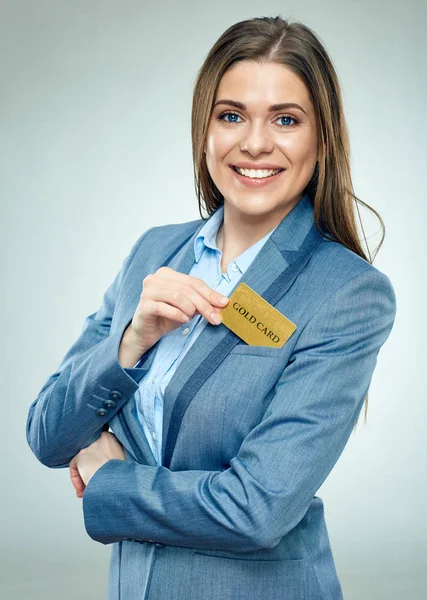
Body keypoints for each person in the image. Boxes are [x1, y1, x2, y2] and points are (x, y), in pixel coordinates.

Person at [26, 15, 396, 600]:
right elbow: (47, 434)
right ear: (205, 131)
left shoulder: (347, 294)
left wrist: (111, 482)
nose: (254, 142)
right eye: (231, 116)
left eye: (285, 119)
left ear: (321, 139)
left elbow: (257, 509)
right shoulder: (154, 252)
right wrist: (129, 344)